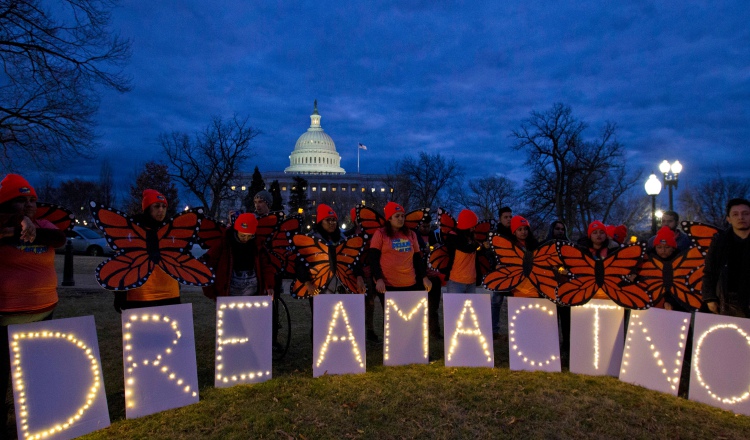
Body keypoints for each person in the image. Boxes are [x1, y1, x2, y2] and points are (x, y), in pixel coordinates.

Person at [0, 174, 66, 435]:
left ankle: (35, 418)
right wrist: (17, 224)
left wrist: (27, 227)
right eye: (20, 200)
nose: (28, 205)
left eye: (32, 200)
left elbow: (58, 238)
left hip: (43, 311)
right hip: (7, 315)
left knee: (34, 372)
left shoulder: (44, 225)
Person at [114, 189, 181, 311]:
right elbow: (122, 264)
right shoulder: (133, 230)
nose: (161, 210)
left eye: (164, 206)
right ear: (147, 208)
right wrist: (120, 294)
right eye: (156, 206)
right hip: (141, 295)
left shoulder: (171, 230)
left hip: (170, 292)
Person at [202, 213, 275, 299]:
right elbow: (209, 265)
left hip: (253, 293)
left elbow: (266, 267)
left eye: (250, 236)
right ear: (236, 231)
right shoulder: (224, 244)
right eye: (243, 235)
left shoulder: (257, 245)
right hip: (229, 293)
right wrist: (210, 291)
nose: (246, 239)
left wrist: (269, 286)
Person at [369, 202, 432, 296]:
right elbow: (373, 259)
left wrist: (424, 277)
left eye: (403, 216)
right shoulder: (380, 234)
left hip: (410, 283)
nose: (401, 219)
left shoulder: (411, 234)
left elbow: (417, 258)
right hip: (387, 285)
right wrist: (378, 279)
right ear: (389, 218)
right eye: (397, 216)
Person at [702, 198, 750, 317]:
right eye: (735, 214)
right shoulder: (720, 241)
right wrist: (710, 297)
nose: (740, 217)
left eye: (745, 214)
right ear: (728, 219)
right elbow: (709, 271)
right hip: (728, 300)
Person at [443, 209, 491, 294]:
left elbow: (475, 253)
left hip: (471, 281)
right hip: (456, 280)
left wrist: (483, 248)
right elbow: (465, 248)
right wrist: (479, 245)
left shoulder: (471, 237)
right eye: (472, 226)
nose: (473, 228)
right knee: (455, 306)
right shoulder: (453, 236)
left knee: (469, 306)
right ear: (465, 225)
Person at [645, 226, 690, 312]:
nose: (663, 250)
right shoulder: (649, 260)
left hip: (676, 306)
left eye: (667, 247)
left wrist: (671, 301)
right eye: (659, 247)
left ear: (673, 248)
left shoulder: (681, 261)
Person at [415, 214, 444, 338]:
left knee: (433, 307)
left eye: (427, 226)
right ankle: (419, 331)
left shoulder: (433, 235)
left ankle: (434, 331)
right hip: (419, 276)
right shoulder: (414, 236)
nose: (426, 228)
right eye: (423, 226)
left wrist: (434, 248)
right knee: (418, 306)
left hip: (433, 276)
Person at [491, 206, 513, 339]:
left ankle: (515, 330)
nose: (509, 219)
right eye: (506, 217)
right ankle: (494, 331)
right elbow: (491, 253)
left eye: (510, 216)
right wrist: (495, 265)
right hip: (500, 273)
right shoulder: (495, 233)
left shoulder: (514, 232)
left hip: (513, 272)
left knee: (513, 302)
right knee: (496, 302)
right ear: (500, 218)